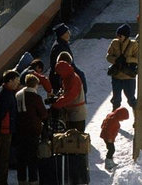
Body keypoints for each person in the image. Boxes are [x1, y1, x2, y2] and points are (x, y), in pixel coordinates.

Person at [51, 53, 88, 185]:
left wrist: (56, 104)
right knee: (72, 143)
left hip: (76, 113)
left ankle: (78, 173)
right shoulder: (68, 77)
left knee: (77, 143)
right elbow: (65, 93)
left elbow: (69, 96)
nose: (59, 76)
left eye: (59, 73)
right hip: (72, 112)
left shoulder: (73, 79)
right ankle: (73, 172)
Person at [15, 74, 48, 185]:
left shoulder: (18, 95)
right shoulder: (35, 97)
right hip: (32, 131)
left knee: (21, 158)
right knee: (32, 158)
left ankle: (21, 180)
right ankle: (33, 180)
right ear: (35, 85)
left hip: (19, 131)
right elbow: (43, 114)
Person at [0, 70, 20, 185]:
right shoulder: (6, 95)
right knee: (3, 159)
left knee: (0, 157)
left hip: (1, 129)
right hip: (4, 131)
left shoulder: (1, 90)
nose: (18, 84)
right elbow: (2, 114)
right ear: (10, 81)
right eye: (16, 81)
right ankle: (0, 182)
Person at [106, 24, 139, 110]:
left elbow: (138, 59)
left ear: (126, 36)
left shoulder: (133, 44)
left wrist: (128, 59)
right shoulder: (114, 43)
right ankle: (113, 120)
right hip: (116, 76)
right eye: (117, 35)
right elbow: (108, 56)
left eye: (120, 35)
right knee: (116, 101)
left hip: (128, 77)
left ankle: (138, 120)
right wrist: (116, 60)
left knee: (132, 100)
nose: (118, 37)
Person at [100, 106, 130, 171]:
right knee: (111, 150)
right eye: (122, 119)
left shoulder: (111, 116)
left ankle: (110, 161)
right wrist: (110, 139)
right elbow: (109, 130)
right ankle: (108, 163)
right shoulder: (114, 121)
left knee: (110, 149)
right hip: (108, 137)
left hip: (106, 136)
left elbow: (103, 123)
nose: (122, 120)